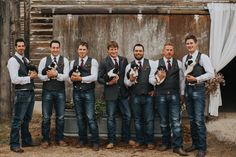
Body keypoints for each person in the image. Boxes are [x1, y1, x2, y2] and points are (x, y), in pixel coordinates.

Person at [149, 42, 188, 156]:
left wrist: (182, 94)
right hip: (161, 95)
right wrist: (158, 78)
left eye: (171, 50)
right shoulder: (156, 63)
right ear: (163, 51)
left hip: (175, 95)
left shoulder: (179, 63)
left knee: (176, 121)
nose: (169, 52)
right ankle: (166, 143)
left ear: (173, 52)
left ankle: (178, 146)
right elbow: (150, 79)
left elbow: (182, 80)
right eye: (167, 50)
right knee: (164, 121)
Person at [98, 41, 135, 149]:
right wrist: (108, 82)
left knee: (127, 115)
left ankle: (126, 138)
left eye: (115, 49)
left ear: (117, 49)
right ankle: (111, 141)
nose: (113, 51)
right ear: (108, 50)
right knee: (110, 118)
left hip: (123, 93)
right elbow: (99, 78)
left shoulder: (124, 60)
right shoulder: (104, 62)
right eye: (111, 49)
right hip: (110, 94)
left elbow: (127, 75)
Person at [182, 35, 214, 157]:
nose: (189, 45)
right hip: (188, 91)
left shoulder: (203, 57)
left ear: (196, 44)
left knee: (199, 120)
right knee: (191, 119)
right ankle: (195, 144)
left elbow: (211, 74)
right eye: (187, 43)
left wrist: (197, 79)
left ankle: (202, 148)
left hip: (198, 90)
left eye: (191, 43)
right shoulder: (185, 57)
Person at [7, 38, 38, 153]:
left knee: (27, 119)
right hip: (22, 93)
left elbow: (30, 72)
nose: (21, 47)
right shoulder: (13, 61)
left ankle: (26, 141)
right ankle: (14, 144)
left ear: (24, 47)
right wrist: (29, 78)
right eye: (18, 46)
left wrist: (34, 73)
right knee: (17, 120)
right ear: (15, 47)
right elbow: (14, 79)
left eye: (22, 46)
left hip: (30, 92)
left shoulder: (25, 59)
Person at [38, 40, 69, 148]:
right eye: (53, 47)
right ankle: (45, 139)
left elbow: (66, 76)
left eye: (57, 48)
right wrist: (48, 76)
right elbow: (40, 76)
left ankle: (59, 138)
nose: (55, 49)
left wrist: (56, 74)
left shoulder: (64, 60)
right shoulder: (44, 60)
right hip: (47, 91)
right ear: (50, 48)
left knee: (60, 116)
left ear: (59, 48)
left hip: (60, 91)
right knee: (46, 117)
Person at [69, 41, 99, 151]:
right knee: (80, 117)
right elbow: (69, 78)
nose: (82, 51)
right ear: (77, 50)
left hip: (88, 92)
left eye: (84, 49)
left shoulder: (93, 61)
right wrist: (72, 78)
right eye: (80, 49)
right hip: (76, 92)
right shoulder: (73, 62)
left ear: (87, 50)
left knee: (90, 117)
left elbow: (94, 77)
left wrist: (81, 79)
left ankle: (95, 142)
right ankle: (82, 140)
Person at [124, 43, 155, 149]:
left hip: (148, 96)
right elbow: (126, 83)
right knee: (137, 120)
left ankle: (149, 141)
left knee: (149, 120)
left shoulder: (151, 63)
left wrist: (154, 90)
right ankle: (140, 140)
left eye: (140, 51)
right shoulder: (129, 65)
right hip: (135, 96)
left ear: (143, 52)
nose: (138, 52)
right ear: (133, 52)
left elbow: (155, 78)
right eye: (136, 51)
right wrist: (131, 80)